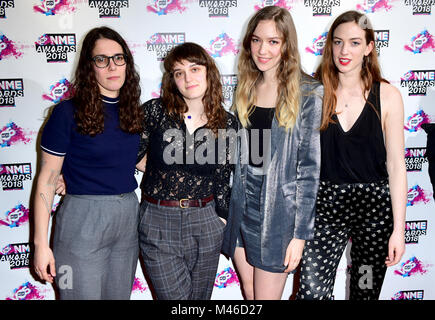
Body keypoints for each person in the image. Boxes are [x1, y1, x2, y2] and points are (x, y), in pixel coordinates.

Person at [296, 11, 407, 300]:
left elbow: (396, 166)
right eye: (338, 42)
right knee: (311, 292)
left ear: (369, 47)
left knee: (364, 291)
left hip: (373, 213)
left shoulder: (388, 95)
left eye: (355, 43)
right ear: (329, 45)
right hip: (325, 208)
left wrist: (398, 229)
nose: (344, 51)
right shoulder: (313, 92)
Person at [33, 26, 143, 300]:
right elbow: (47, 180)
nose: (112, 66)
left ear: (127, 62)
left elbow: (142, 163)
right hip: (82, 221)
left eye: (119, 58)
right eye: (101, 59)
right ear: (89, 66)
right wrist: (40, 244)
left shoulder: (133, 112)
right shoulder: (67, 112)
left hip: (128, 218)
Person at [221, 6, 324, 300]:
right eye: (256, 40)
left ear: (286, 45)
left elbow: (309, 171)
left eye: (273, 41)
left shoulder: (308, 92)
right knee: (250, 290)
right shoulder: (247, 86)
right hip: (242, 206)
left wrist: (300, 235)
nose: (262, 50)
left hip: (279, 215)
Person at [136, 42, 237, 300]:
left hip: (205, 221)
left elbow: (224, 176)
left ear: (208, 72)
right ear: (173, 80)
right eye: (179, 72)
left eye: (194, 69)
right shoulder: (155, 112)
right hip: (158, 219)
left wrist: (220, 219)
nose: (187, 78)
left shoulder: (227, 123)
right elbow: (126, 154)